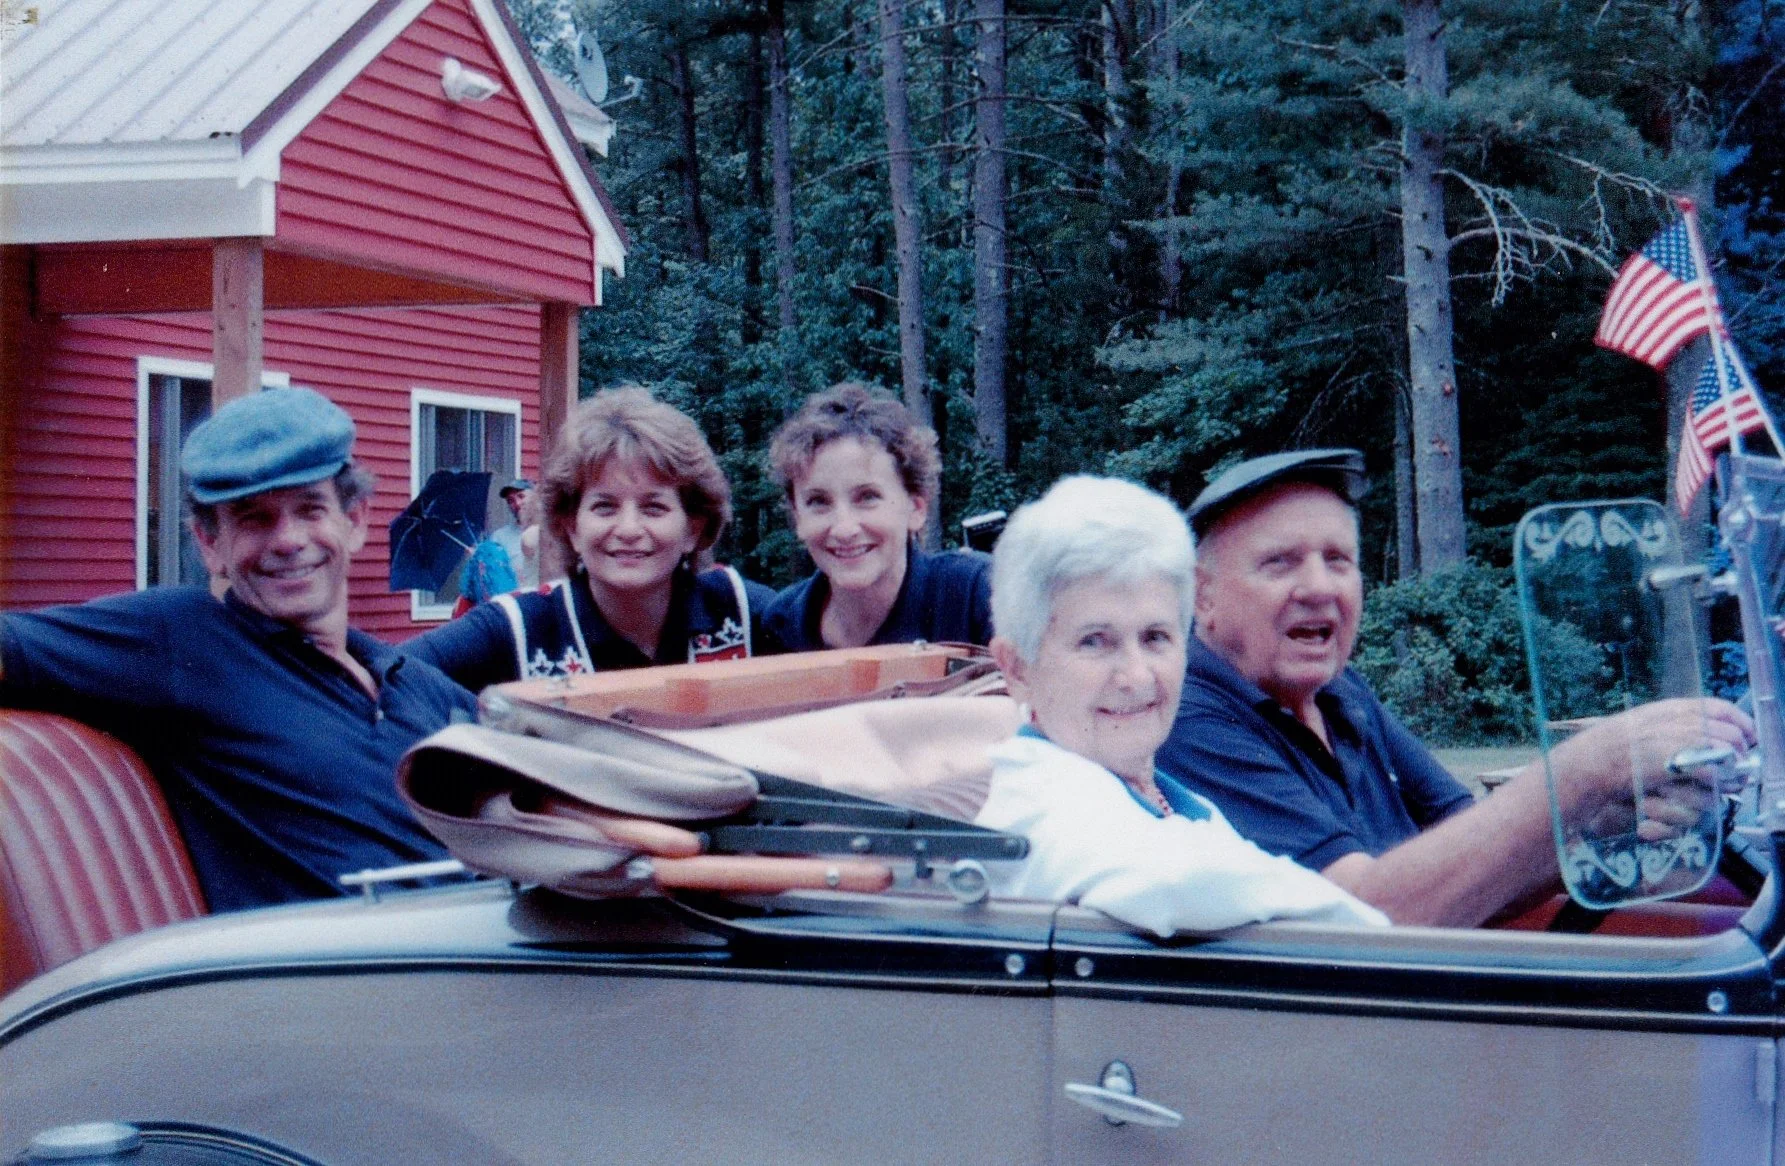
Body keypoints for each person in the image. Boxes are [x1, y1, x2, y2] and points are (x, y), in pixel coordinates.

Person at [1156, 449, 1757, 928]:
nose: (1320, 587)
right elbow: (1363, 920)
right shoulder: (1186, 717)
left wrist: (1603, 820)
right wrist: (1588, 768)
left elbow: (1479, 854)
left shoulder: (1342, 694)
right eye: (1280, 563)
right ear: (1203, 596)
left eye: (1338, 560)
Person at [0, 388, 476, 912]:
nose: (288, 540)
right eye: (254, 519)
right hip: (342, 958)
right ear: (211, 545)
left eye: (310, 509)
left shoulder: (410, 681)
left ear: (356, 521)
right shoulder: (186, 640)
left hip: (480, 938)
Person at [975, 476, 1387, 936]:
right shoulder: (1045, 813)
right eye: (1095, 641)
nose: (1137, 676)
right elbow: (1176, 881)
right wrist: (1376, 925)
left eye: (1156, 637)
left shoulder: (1176, 802)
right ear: (1018, 669)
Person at [404, 387, 777, 689]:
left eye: (653, 508)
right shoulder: (519, 629)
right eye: (604, 507)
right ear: (571, 526)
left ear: (693, 528)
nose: (628, 529)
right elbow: (386, 675)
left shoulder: (740, 613)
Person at [764, 383, 992, 651]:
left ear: (916, 508)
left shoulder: (976, 595)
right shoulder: (781, 625)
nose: (844, 529)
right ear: (797, 517)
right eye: (819, 501)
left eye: (867, 497)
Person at [458, 479, 539, 610]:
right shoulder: (499, 537)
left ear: (535, 496)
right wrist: (478, 558)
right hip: (513, 606)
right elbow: (491, 578)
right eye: (510, 501)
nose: (517, 503)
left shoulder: (550, 531)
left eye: (521, 496)